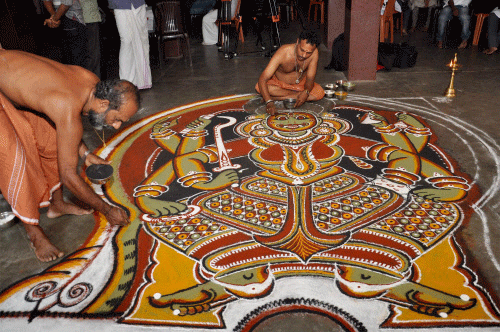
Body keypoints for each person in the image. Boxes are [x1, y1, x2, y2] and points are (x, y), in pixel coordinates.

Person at [0, 48, 140, 262]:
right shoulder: (66, 105)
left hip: (10, 71)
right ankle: (34, 234)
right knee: (13, 156)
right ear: (104, 104)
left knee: (50, 141)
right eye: (116, 118)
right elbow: (69, 175)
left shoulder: (91, 82)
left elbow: (67, 124)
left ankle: (57, 205)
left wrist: (85, 154)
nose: (116, 125)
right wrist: (106, 209)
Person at [256, 29, 325, 115]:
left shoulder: (314, 53)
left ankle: (278, 97)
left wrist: (306, 91)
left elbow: (310, 79)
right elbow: (263, 78)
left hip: (300, 85)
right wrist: (269, 102)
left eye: (308, 53)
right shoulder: (283, 51)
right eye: (302, 50)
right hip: (279, 84)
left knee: (319, 92)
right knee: (260, 86)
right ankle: (291, 96)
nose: (304, 55)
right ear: (297, 42)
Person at [108, 0, 152, 90]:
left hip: (137, 4)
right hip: (120, 4)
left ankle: (142, 81)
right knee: (127, 41)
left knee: (142, 41)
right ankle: (127, 82)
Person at [43, 0, 88, 67]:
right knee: (71, 60)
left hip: (71, 18)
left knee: (72, 60)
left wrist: (54, 19)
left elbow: (67, 3)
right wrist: (54, 17)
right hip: (67, 19)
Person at [81, 0, 102, 78]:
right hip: (87, 17)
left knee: (90, 55)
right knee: (92, 55)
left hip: (85, 17)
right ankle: (92, 83)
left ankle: (91, 82)